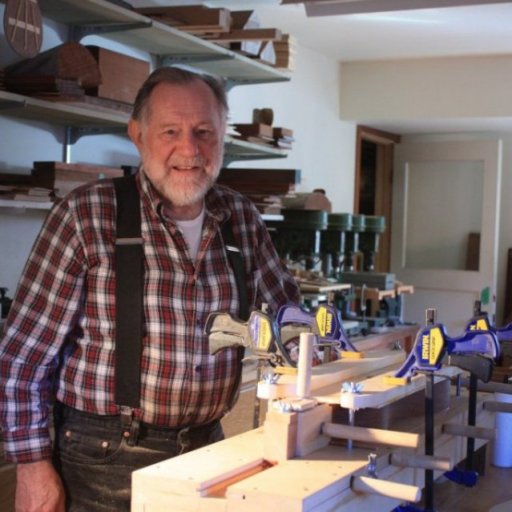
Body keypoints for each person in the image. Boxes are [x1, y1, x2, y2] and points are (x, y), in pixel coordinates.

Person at [0, 66, 300, 512]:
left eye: (204, 132)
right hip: (102, 457)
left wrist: (327, 361)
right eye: (170, 131)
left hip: (207, 449)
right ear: (138, 136)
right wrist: (32, 467)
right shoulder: (87, 215)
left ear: (222, 139)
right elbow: (23, 359)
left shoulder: (241, 219)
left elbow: (290, 326)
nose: (189, 149)